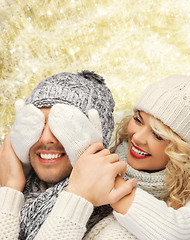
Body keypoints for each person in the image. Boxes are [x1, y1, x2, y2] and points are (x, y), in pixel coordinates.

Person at [82, 65, 190, 239]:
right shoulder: (111, 154)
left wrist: (109, 180)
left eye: (157, 135)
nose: (138, 137)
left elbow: (180, 233)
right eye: (138, 120)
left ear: (182, 150)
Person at [0, 70, 135, 239]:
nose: (46, 138)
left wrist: (78, 198)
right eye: (36, 124)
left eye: (65, 126)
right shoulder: (9, 188)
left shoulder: (115, 229)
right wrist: (10, 188)